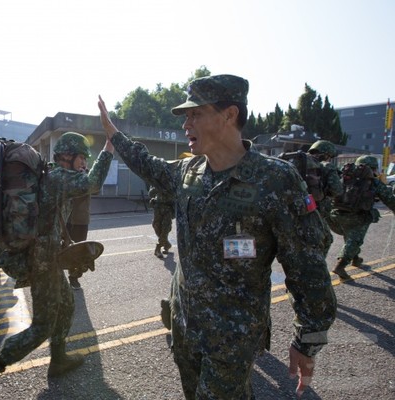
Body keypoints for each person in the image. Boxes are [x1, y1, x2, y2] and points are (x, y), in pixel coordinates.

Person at [98, 74, 337, 399]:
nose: (186, 124)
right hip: (185, 327)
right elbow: (148, 165)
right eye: (185, 116)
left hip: (232, 339)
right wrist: (115, 135)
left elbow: (307, 266)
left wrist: (307, 340)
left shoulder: (275, 180)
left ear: (229, 115)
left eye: (196, 114)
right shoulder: (188, 172)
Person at [0, 132, 114, 399]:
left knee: (67, 305)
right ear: (68, 156)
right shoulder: (58, 177)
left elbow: (53, 222)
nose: (84, 163)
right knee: (42, 326)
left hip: (48, 256)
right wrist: (109, 149)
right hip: (42, 261)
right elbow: (93, 183)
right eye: (82, 158)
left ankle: (58, 360)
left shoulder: (54, 177)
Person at [329, 155, 395, 279]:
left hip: (336, 214)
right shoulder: (373, 182)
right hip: (357, 217)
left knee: (349, 236)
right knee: (355, 239)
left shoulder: (344, 177)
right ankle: (340, 266)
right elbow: (389, 199)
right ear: (373, 168)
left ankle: (355, 258)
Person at [307, 140, 343, 222]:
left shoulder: (300, 161)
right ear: (327, 155)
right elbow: (337, 190)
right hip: (316, 211)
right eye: (330, 157)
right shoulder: (327, 166)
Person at [67, 193, 91, 289]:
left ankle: (74, 277)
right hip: (65, 220)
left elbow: (95, 189)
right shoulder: (65, 178)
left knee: (78, 250)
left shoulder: (85, 179)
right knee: (59, 248)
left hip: (81, 221)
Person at [148, 186, 174, 258]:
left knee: (166, 228)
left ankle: (158, 248)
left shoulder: (170, 180)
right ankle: (167, 244)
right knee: (156, 226)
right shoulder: (157, 180)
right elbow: (150, 194)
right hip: (158, 207)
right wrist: (157, 187)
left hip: (168, 208)